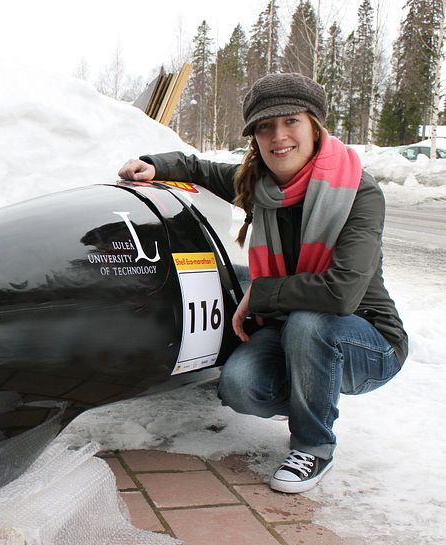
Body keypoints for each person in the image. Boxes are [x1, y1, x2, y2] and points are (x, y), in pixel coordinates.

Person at [118, 72, 407, 494]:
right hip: (291, 328)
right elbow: (204, 169)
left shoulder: (358, 193)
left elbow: (341, 292)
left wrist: (261, 291)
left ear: (314, 126)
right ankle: (310, 388)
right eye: (265, 127)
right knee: (240, 387)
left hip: (367, 339)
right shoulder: (261, 186)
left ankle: (314, 445)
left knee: (312, 323)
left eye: (291, 121)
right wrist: (155, 163)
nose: (279, 136)